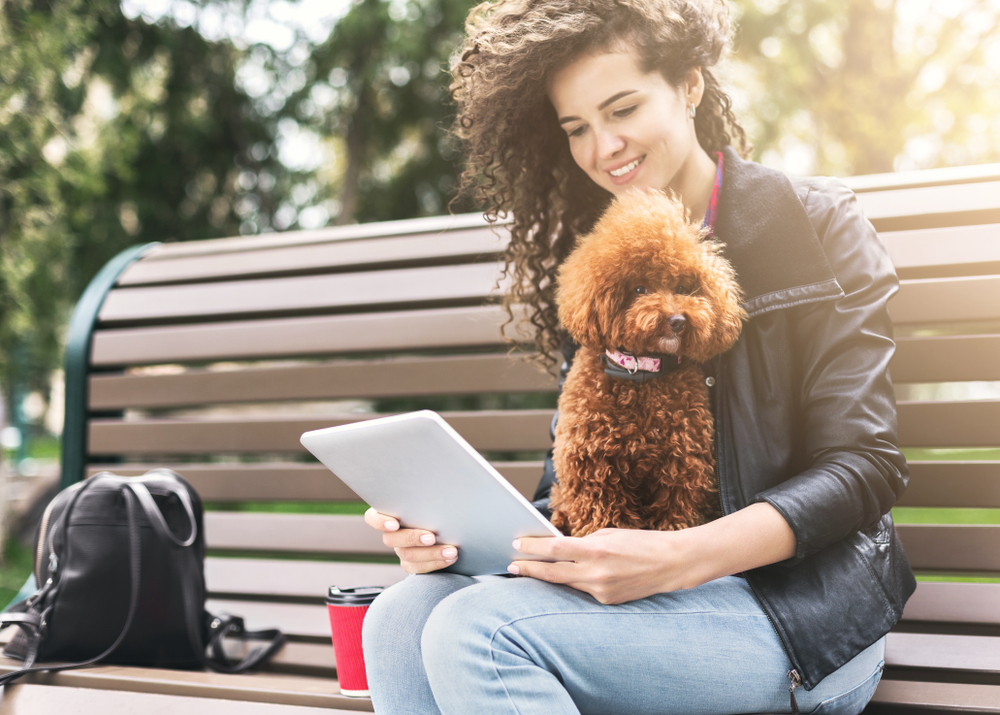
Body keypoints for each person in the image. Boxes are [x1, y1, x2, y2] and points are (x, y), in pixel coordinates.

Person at [361, 0, 916, 713]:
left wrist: (678, 558)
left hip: (802, 614)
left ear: (689, 84)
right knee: (402, 616)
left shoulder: (815, 225)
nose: (603, 147)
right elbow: (572, 481)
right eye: (577, 128)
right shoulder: (604, 267)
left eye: (621, 108)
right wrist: (455, 535)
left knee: (482, 633)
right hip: (643, 595)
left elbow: (864, 467)